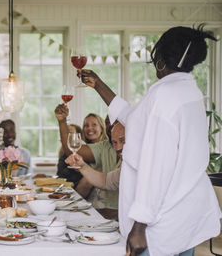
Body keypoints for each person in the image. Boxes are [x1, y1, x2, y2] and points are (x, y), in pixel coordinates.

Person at [79, 25, 221, 256]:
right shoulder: (189, 92)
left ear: (161, 60)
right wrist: (99, 85)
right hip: (186, 214)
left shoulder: (164, 97)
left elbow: (157, 166)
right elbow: (134, 118)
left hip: (161, 222)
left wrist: (139, 226)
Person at [55, 105, 119, 212]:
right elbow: (70, 150)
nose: (111, 125)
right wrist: (62, 121)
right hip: (100, 207)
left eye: (114, 122)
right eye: (107, 122)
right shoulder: (104, 146)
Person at [65, 122, 125, 191]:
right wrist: (82, 166)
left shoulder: (139, 165)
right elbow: (105, 181)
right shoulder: (125, 168)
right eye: (114, 142)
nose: (118, 148)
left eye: (122, 140)